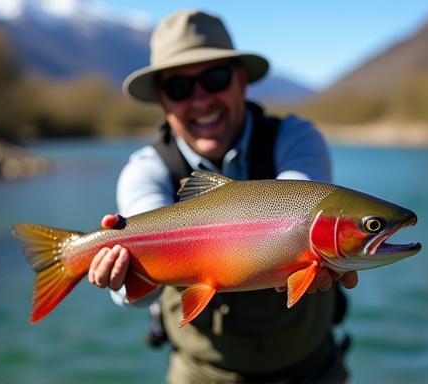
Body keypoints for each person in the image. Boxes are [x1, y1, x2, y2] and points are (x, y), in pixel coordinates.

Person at [88, 9, 358, 383]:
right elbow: (147, 255)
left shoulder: (296, 139)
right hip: (201, 373)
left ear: (241, 81)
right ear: (162, 101)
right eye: (179, 88)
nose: (200, 100)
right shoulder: (145, 170)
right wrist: (123, 275)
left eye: (214, 78)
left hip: (312, 369)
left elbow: (305, 206)